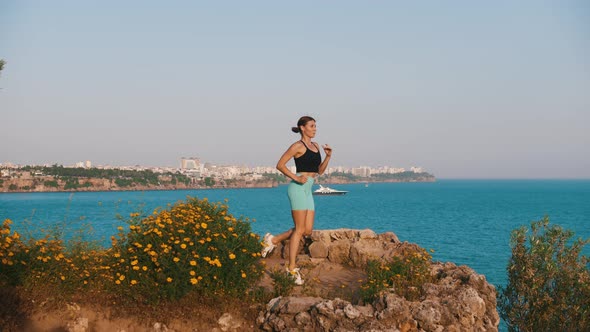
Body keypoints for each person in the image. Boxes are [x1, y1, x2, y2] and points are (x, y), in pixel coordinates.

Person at [261, 116, 332, 285]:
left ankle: (274, 240)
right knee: (299, 230)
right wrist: (295, 177)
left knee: (307, 230)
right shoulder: (297, 146)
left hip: (308, 189)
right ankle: (291, 269)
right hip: (298, 188)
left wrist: (328, 156)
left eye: (315, 126)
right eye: (312, 126)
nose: (315, 129)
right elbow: (280, 164)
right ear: (302, 128)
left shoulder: (316, 147)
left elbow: (319, 171)